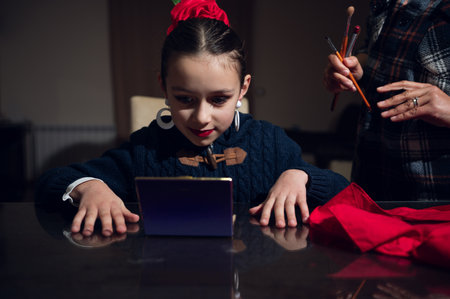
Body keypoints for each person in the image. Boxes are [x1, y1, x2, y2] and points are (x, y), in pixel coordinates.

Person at [36, 0, 348, 237]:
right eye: (185, 99)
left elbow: (343, 192)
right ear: (164, 87)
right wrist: (89, 187)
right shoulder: (146, 146)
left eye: (219, 99)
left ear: (243, 88)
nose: (201, 117)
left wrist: (300, 175)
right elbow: (50, 184)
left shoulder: (272, 142)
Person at [323, 0, 450, 201]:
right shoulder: (385, 3)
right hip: (370, 186)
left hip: (435, 201)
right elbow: (373, 53)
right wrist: (355, 68)